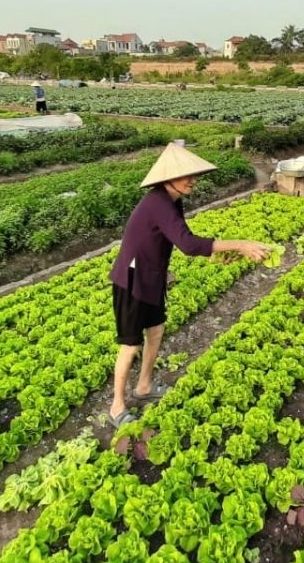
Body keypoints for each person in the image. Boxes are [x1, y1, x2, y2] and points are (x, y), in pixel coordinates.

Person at [108, 142, 269, 427]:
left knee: (156, 331)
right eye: (186, 176)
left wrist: (221, 254)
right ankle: (116, 407)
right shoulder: (157, 201)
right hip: (132, 279)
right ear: (168, 178)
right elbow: (188, 245)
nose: (192, 180)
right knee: (130, 345)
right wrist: (239, 244)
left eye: (194, 175)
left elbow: (181, 238)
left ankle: (143, 386)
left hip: (153, 276)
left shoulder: (173, 200)